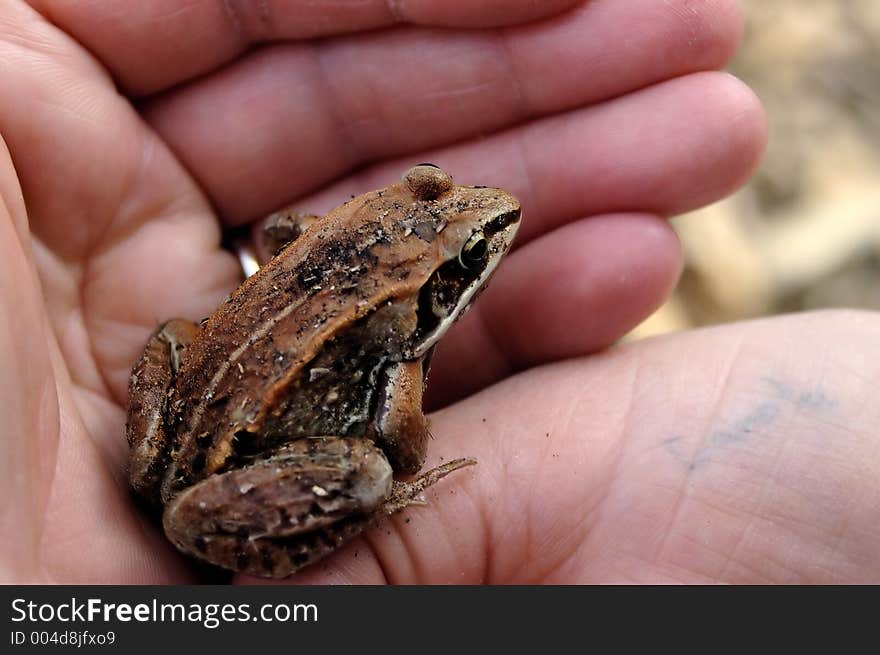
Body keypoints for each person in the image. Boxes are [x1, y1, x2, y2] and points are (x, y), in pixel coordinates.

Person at [1, 1, 871, 585]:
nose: (481, 218)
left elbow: (278, 238)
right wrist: (398, 473)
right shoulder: (399, 353)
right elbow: (407, 443)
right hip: (219, 477)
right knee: (377, 473)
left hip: (176, 430)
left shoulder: (312, 232)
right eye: (453, 264)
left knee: (173, 334)